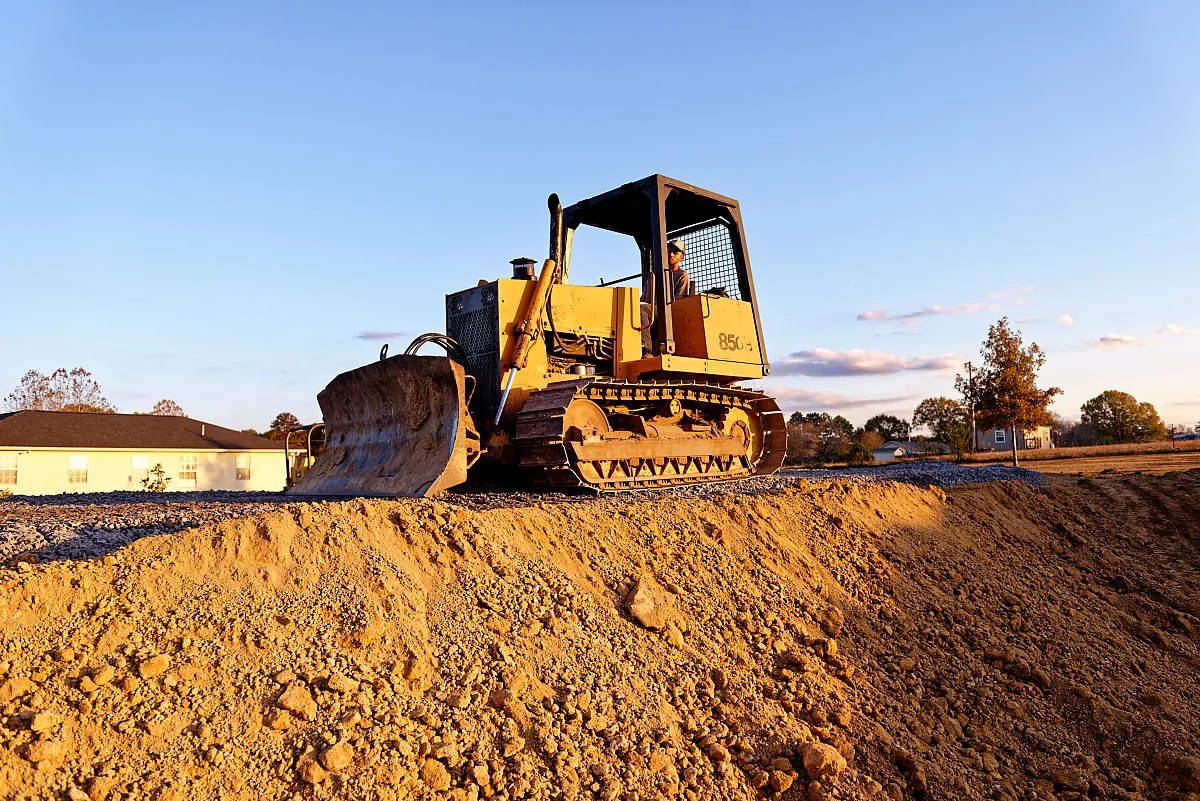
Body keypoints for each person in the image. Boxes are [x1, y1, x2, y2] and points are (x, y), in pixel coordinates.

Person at [641, 240, 692, 353]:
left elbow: (678, 302)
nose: (671, 254)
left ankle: (646, 350)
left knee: (641, 309)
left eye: (675, 252)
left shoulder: (681, 276)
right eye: (669, 251)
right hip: (648, 311)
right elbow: (643, 298)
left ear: (682, 257)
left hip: (666, 313)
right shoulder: (653, 274)